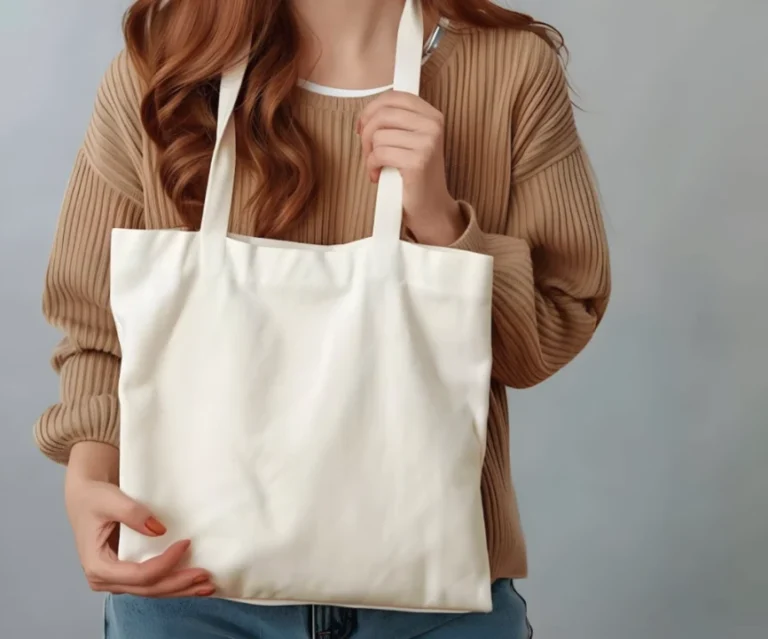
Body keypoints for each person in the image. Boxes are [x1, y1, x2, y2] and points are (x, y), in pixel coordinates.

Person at [36, 0, 610, 637]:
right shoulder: (166, 71)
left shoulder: (510, 70)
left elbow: (550, 330)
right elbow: (95, 330)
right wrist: (87, 478)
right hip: (187, 590)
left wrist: (443, 224)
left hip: (432, 604)